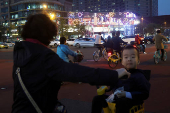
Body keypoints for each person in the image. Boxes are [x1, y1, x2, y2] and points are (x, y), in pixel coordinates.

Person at [12, 14, 130, 113]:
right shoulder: (43, 56)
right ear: (47, 33)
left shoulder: (21, 54)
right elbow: (78, 73)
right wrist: (113, 75)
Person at [91, 45, 150, 113]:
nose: (129, 59)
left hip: (133, 101)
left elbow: (145, 93)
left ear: (138, 61)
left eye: (133, 57)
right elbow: (112, 83)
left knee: (122, 101)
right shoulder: (119, 73)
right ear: (122, 61)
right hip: (117, 98)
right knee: (97, 99)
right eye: (126, 57)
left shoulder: (139, 76)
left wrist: (126, 94)